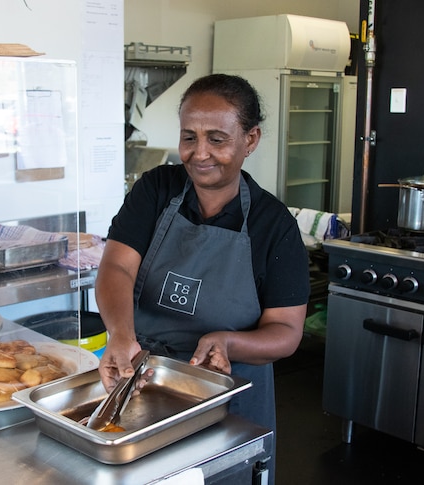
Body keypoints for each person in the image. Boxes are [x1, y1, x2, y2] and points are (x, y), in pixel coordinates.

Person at [95, 73, 310, 479]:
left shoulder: (273, 224)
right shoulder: (157, 189)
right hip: (143, 380)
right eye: (189, 137)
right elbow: (116, 266)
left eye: (217, 138)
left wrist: (228, 342)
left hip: (227, 397)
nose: (199, 153)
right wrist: (121, 335)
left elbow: (286, 331)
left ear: (250, 140)